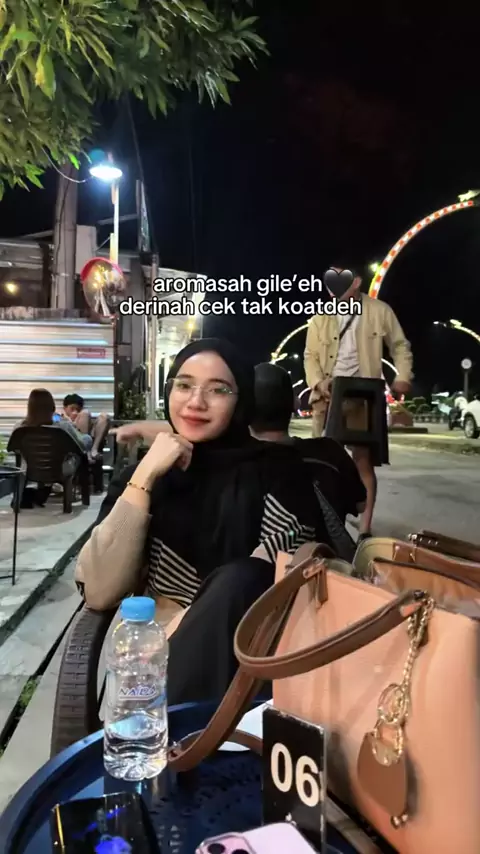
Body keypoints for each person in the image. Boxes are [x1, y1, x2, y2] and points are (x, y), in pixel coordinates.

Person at [75, 339, 331, 705]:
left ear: (241, 400)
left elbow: (274, 576)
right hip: (160, 663)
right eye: (184, 385)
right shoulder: (144, 477)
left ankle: (175, 729)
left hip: (256, 658)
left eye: (218, 390)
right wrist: (145, 476)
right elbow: (99, 590)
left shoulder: (279, 471)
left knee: (243, 577)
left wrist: (188, 625)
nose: (196, 402)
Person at [304, 263, 413, 539]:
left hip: (364, 394)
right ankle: (327, 522)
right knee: (324, 461)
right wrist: (319, 383)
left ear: (356, 282)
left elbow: (399, 345)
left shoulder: (380, 311)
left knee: (363, 461)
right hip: (329, 395)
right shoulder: (319, 318)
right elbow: (310, 357)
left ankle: (365, 529)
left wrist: (403, 375)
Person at [250, 362, 366, 526]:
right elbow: (361, 505)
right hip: (324, 543)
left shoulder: (235, 466)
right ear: (296, 404)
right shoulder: (330, 452)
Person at [63, 393, 110, 459]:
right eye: (72, 409)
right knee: (85, 413)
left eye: (78, 410)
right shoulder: (60, 416)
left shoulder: (82, 416)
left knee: (104, 417)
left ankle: (94, 449)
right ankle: (86, 452)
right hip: (75, 443)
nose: (75, 412)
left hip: (89, 440)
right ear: (65, 408)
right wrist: (70, 421)